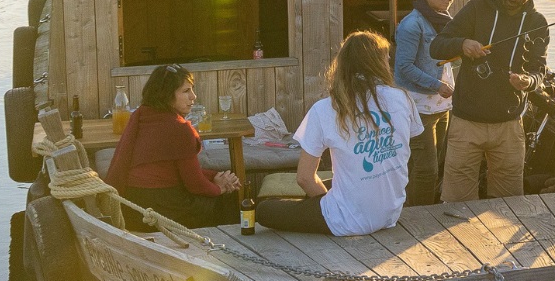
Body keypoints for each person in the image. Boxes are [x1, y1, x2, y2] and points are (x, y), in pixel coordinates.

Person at [256, 31, 422, 236]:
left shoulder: (325, 108)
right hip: (390, 214)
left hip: (346, 223)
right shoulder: (403, 98)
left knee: (264, 209)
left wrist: (327, 202)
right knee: (333, 182)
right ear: (379, 64)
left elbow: (304, 178)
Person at [430, 0, 548, 202]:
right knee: (456, 204)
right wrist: (462, 44)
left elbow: (540, 73)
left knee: (510, 205)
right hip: (466, 123)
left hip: (509, 126)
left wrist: (528, 82)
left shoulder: (538, 23)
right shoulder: (477, 8)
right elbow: (437, 47)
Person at [104, 64, 241, 228]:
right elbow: (194, 184)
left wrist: (215, 176)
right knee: (225, 200)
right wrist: (220, 188)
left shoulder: (141, 115)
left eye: (192, 90)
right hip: (160, 208)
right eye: (186, 91)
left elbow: (176, 170)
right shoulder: (179, 128)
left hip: (132, 206)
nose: (193, 96)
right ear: (167, 95)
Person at [393, 0, 459, 207]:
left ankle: (408, 208)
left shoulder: (445, 22)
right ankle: (420, 218)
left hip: (443, 107)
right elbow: (403, 69)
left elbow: (446, 61)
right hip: (420, 108)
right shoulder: (412, 24)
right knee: (426, 170)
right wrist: (437, 85)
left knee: (436, 163)